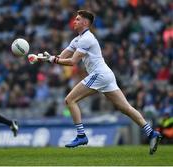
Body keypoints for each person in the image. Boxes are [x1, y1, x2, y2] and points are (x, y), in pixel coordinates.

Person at [28, 10, 162, 154]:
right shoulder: (77, 39)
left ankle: (81, 135)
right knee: (125, 108)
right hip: (106, 75)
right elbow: (61, 57)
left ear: (85, 23)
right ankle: (151, 133)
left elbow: (72, 62)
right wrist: (42, 58)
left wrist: (52, 59)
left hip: (99, 74)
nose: (74, 21)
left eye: (78, 19)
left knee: (70, 100)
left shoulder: (87, 39)